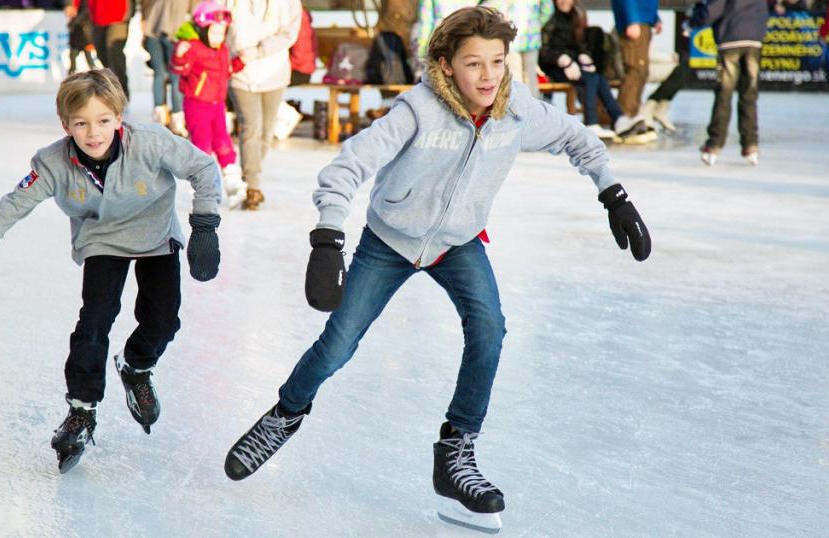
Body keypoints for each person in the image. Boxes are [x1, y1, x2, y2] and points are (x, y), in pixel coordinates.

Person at [222, 6, 650, 534]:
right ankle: (284, 414)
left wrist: (612, 192)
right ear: (446, 66)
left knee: (489, 330)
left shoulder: (516, 111)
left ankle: (456, 451)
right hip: (389, 240)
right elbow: (347, 165)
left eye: (497, 61)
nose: (489, 75)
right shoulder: (417, 110)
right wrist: (329, 238)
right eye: (474, 64)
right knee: (338, 344)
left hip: (458, 242)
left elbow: (576, 138)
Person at [0, 69, 223, 473]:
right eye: (81, 123)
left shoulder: (151, 142)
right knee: (94, 322)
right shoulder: (51, 163)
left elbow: (204, 169)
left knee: (163, 320)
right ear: (66, 125)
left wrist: (204, 224)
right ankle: (81, 409)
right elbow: (12, 205)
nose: (93, 133)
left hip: (155, 236)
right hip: (101, 240)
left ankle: (136, 365)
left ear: (119, 117)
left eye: (102, 121)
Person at [173, 0, 248, 208]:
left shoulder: (223, 50)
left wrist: (238, 63)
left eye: (222, 33)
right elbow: (180, 69)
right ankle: (207, 189)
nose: (218, 37)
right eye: (214, 33)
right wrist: (180, 55)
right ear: (202, 29)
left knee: (224, 143)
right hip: (197, 106)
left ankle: (234, 184)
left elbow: (225, 72)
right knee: (203, 146)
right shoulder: (194, 48)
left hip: (217, 106)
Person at [227, 0, 301, 210]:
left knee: (267, 133)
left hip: (274, 71)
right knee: (251, 128)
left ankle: (251, 171)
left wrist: (259, 50)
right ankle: (252, 186)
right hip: (240, 71)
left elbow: (289, 33)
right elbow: (212, 17)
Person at [540, 0, 646, 139]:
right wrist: (562, 60)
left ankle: (619, 118)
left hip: (572, 63)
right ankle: (591, 123)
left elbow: (577, 44)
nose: (564, 1)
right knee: (591, 79)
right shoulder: (549, 17)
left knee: (599, 78)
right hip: (553, 66)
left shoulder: (575, 15)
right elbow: (544, 50)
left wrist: (584, 56)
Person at [690, 0, 768, 165]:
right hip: (754, 39)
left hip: (731, 38)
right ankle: (751, 144)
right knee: (749, 93)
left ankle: (714, 144)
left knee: (724, 93)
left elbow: (712, 10)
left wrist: (695, 17)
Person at [611, 0, 660, 143]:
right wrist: (631, 20)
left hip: (643, 20)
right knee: (635, 69)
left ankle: (633, 116)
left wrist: (654, 17)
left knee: (642, 71)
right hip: (635, 21)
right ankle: (624, 119)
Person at [66, 0, 133, 99]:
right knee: (101, 54)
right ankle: (112, 88)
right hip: (96, 17)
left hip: (119, 16)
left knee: (114, 52)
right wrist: (71, 4)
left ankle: (121, 93)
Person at [141, 0, 190, 135]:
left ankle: (160, 117)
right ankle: (177, 119)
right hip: (174, 34)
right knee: (176, 77)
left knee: (159, 74)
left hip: (153, 30)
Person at [495, 0, 553, 97]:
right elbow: (548, 9)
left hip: (511, 38)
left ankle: (516, 109)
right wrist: (537, 24)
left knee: (514, 78)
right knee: (531, 78)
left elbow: (498, 8)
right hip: (531, 37)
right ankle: (533, 109)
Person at [65, 0, 98, 74]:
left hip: (85, 33)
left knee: (89, 58)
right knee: (73, 56)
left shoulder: (85, 4)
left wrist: (73, 23)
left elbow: (85, 12)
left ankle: (96, 76)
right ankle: (72, 74)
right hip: (76, 34)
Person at [289, 5, 316, 85]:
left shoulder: (300, 24)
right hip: (302, 71)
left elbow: (299, 55)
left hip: (299, 72)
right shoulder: (304, 21)